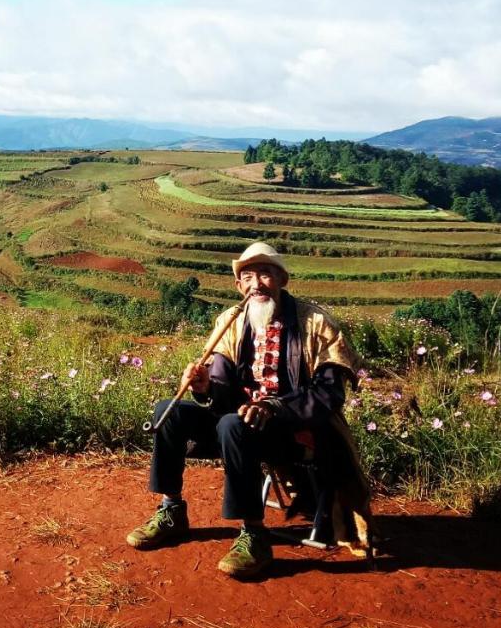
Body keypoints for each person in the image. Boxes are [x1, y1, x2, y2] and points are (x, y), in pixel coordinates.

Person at [126, 242, 374, 578]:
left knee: (232, 425)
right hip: (238, 426)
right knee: (168, 411)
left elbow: (329, 395)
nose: (256, 283)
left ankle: (254, 534)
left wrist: (273, 407)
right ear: (238, 286)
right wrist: (204, 388)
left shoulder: (315, 324)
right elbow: (223, 393)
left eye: (265, 274)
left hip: (296, 432)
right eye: (248, 276)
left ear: (282, 280)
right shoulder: (231, 322)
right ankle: (171, 510)